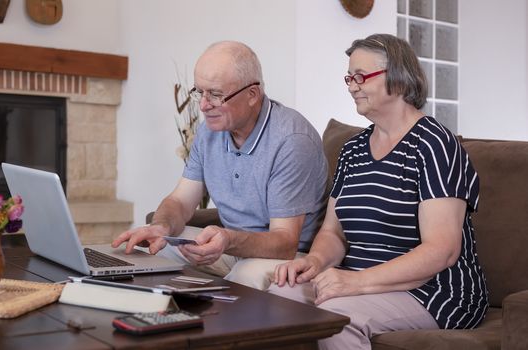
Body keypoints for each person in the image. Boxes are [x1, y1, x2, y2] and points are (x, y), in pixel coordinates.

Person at [269, 33, 489, 349]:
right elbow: (334, 233)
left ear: (398, 79)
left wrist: (356, 282)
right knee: (278, 296)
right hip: (362, 281)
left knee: (335, 317)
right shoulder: (353, 150)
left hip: (434, 292)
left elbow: (443, 250)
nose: (351, 85)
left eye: (360, 76)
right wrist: (315, 262)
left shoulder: (434, 145)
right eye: (349, 77)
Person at [112, 41, 328, 290]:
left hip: (290, 258)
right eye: (199, 92)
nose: (204, 105)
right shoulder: (209, 132)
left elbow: (284, 242)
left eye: (215, 94)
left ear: (252, 95)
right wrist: (161, 227)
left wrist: (227, 240)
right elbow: (180, 201)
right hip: (231, 249)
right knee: (154, 248)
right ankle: (161, 322)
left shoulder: (291, 140)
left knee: (247, 273)